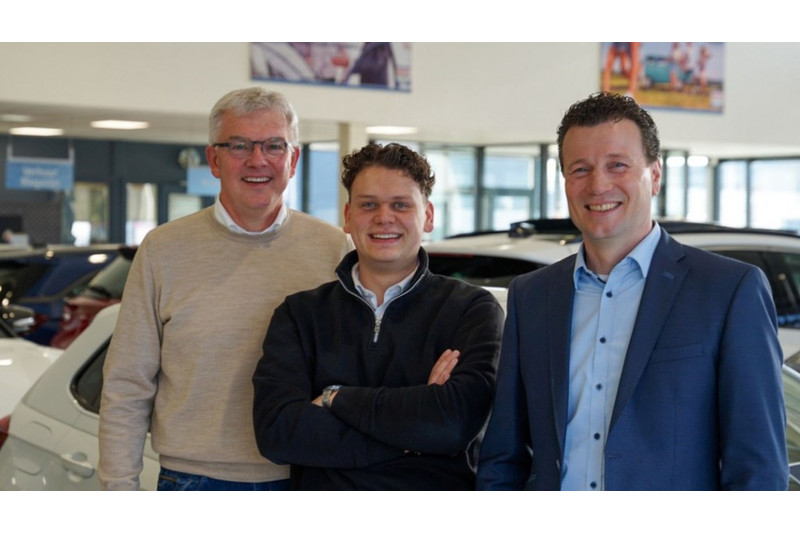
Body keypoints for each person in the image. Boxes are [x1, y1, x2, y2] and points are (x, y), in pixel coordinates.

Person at [476, 92, 788, 491]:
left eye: (617, 165)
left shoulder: (728, 290)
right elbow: (504, 456)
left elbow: (758, 468)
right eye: (580, 169)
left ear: (655, 175)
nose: (598, 185)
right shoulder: (532, 295)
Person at [98, 87, 351, 491]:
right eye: (239, 145)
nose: (257, 160)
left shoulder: (335, 248)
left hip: (307, 476)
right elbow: (128, 382)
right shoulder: (163, 249)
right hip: (193, 481)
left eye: (273, 145)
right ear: (214, 160)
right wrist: (118, 489)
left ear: (293, 160)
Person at [252, 142, 503, 490]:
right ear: (348, 216)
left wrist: (335, 398)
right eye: (368, 204)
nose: (384, 217)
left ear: (428, 216)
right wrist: (415, 431)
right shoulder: (300, 314)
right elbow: (278, 433)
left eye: (401, 204)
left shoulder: (472, 310)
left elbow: (453, 425)